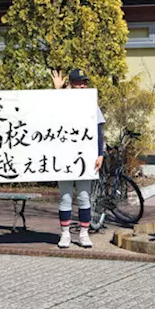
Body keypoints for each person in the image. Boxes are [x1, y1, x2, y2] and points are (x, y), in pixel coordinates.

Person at [51, 68, 106, 249]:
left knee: (84, 197)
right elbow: (49, 114)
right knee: (65, 197)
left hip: (86, 158)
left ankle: (84, 234)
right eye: (78, 82)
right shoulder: (61, 101)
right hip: (64, 157)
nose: (82, 86)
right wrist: (58, 91)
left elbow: (98, 130)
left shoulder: (91, 103)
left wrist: (100, 153)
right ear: (71, 84)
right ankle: (65, 234)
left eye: (84, 82)